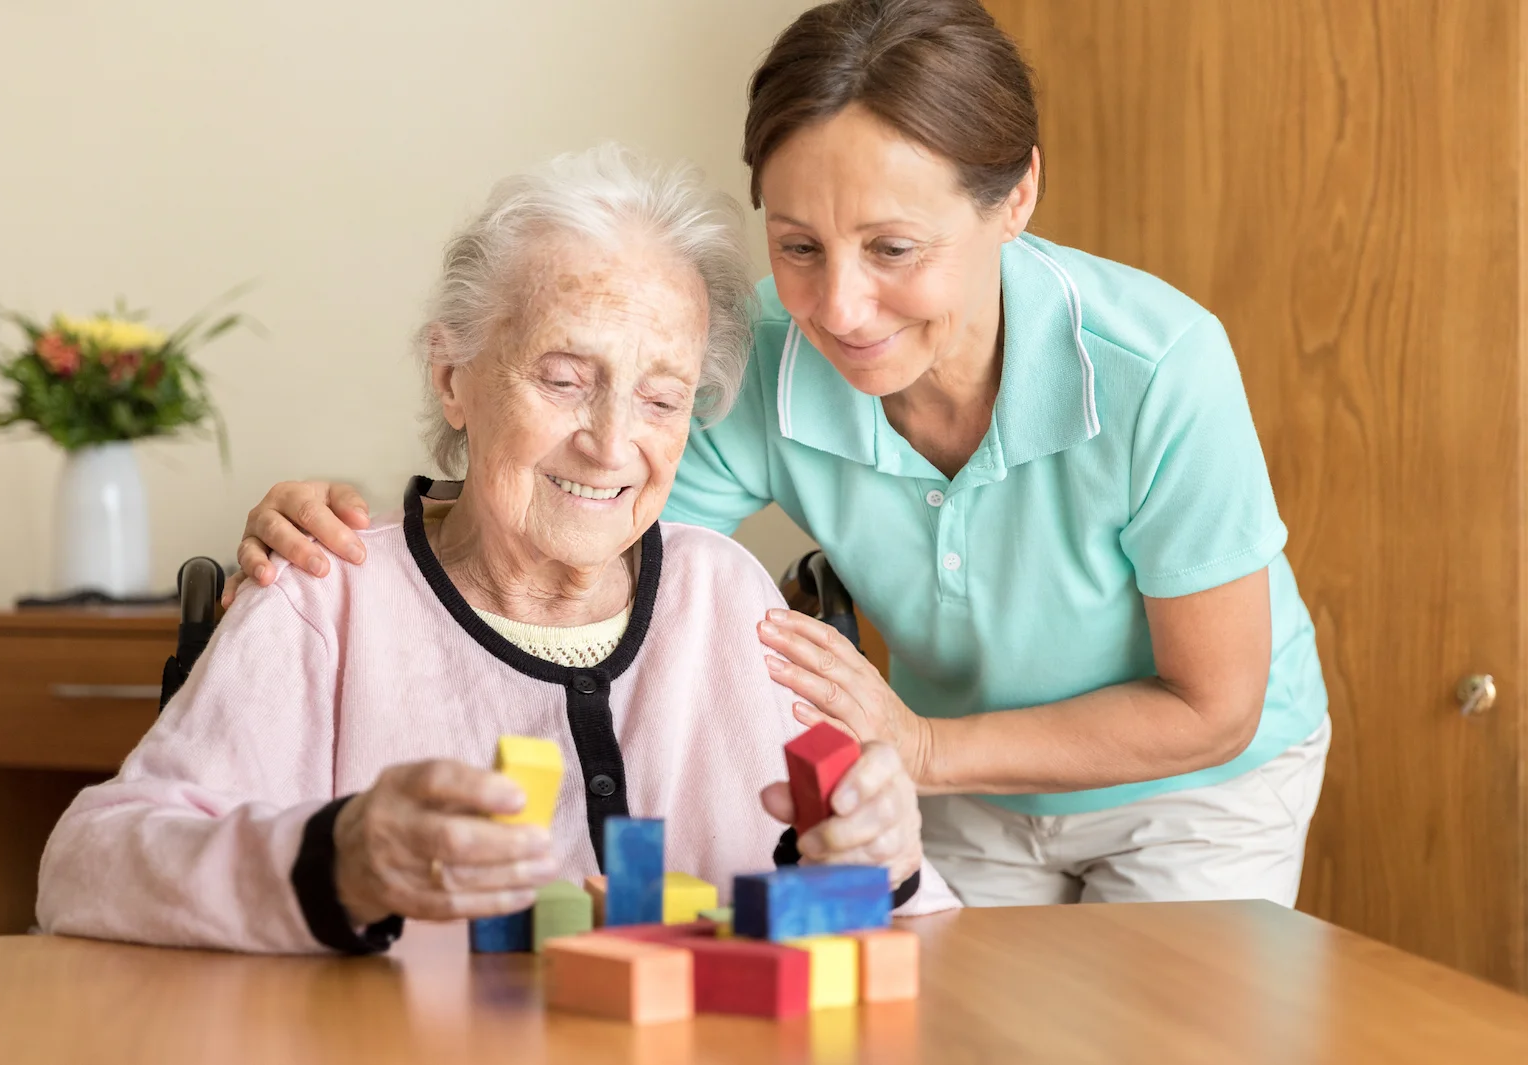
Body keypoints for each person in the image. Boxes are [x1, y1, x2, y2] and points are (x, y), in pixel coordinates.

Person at [231, 0, 1330, 908]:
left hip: (1196, 783)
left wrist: (922, 751)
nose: (840, 309)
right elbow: (589, 535)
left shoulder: (1156, 365)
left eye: (894, 249)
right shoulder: (760, 351)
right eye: (797, 246)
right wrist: (369, 532)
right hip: (954, 784)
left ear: (1017, 200)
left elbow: (1211, 705)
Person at [36, 145, 953, 954]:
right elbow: (85, 865)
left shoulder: (726, 598)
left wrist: (885, 857)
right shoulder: (327, 589)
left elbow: (908, 919)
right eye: (564, 379)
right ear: (453, 377)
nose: (609, 440)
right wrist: (338, 861)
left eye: (661, 398)